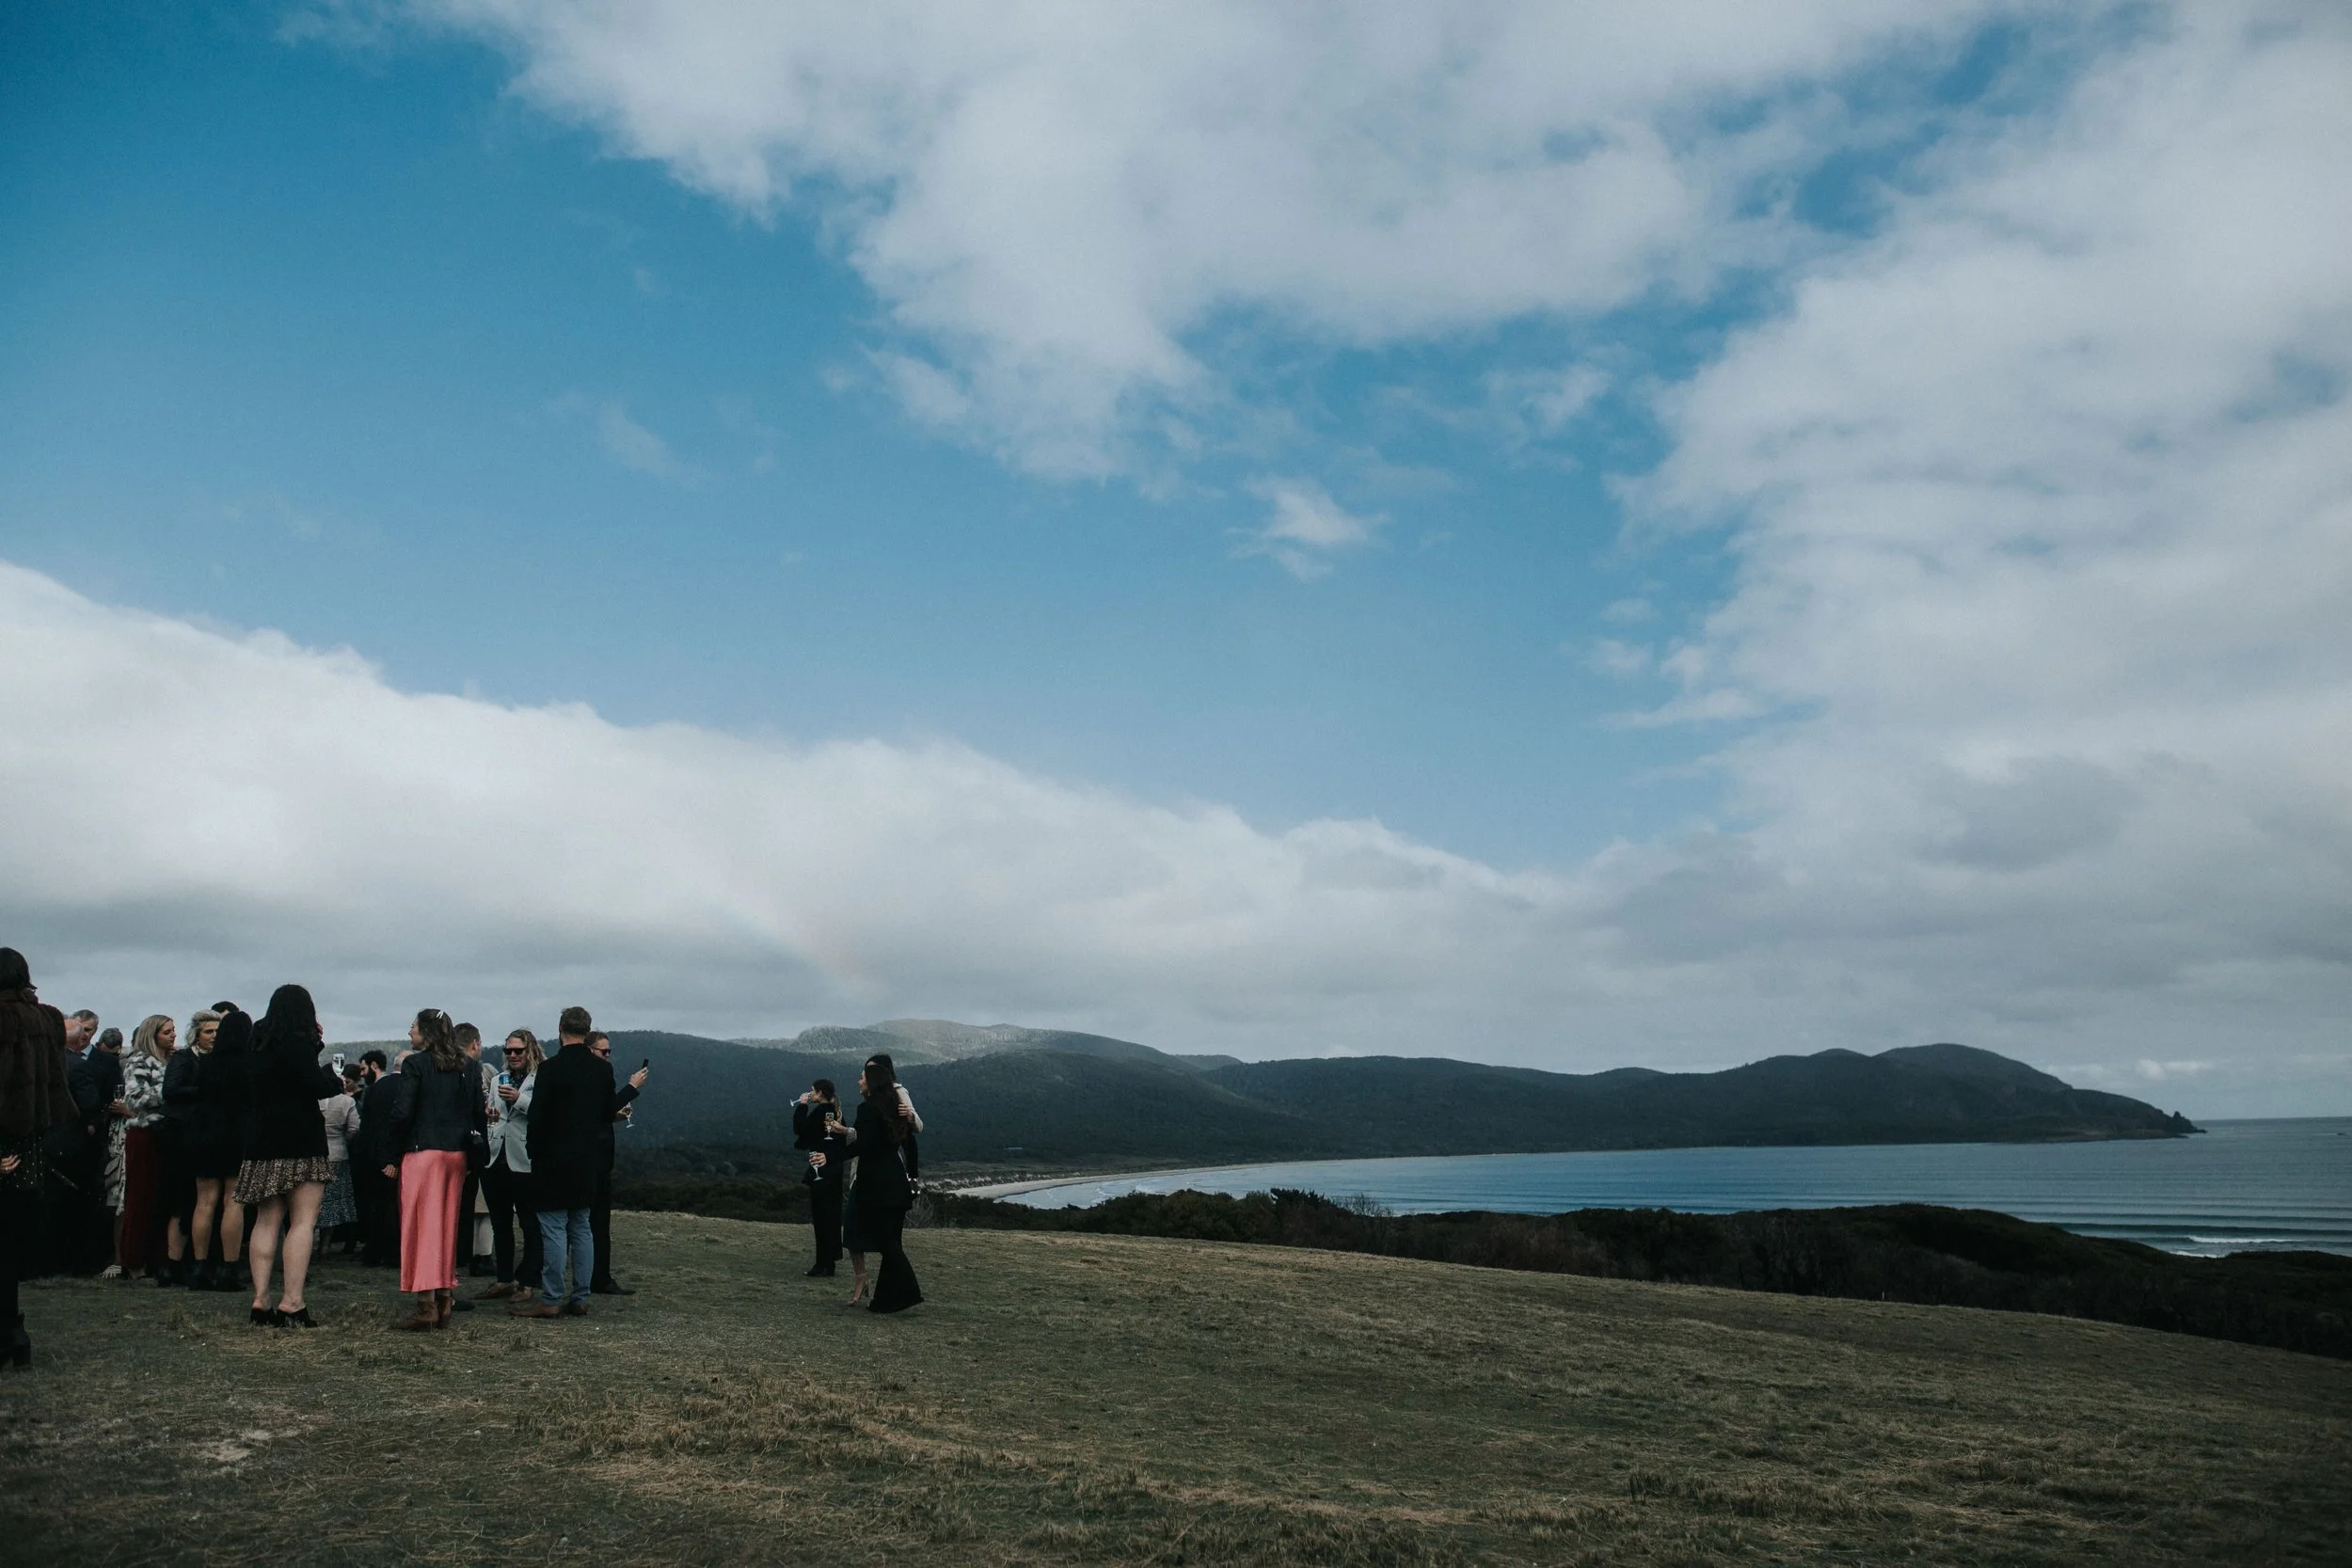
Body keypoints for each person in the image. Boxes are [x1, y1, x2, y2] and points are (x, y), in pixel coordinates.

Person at [233, 986, 340, 1327]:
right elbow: (314, 1085)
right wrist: (331, 1077)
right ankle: (292, 1301)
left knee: (267, 1221)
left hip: (262, 1141)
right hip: (301, 1139)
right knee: (302, 1221)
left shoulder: (255, 1045)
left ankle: (260, 1300)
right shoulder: (298, 1044)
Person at [382, 1009, 486, 1331]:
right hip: (456, 1154)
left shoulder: (415, 1064)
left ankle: (425, 1304)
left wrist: (391, 1153)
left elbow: (402, 1113)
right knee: (447, 1226)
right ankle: (444, 1296)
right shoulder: (467, 1066)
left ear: (426, 1033)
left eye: (413, 1027)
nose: (409, 1032)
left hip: (422, 1151)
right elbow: (476, 1113)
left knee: (420, 1227)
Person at [0, 950, 75, 1367]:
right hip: (30, 1146)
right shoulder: (47, 1020)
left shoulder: (5, 1020)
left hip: (4, 1142)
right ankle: (14, 1331)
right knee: (10, 1245)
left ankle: (9, 1333)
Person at [513, 1006, 613, 1320]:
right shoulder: (602, 1070)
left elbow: (538, 1116)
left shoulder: (550, 1069)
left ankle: (552, 1297)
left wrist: (532, 1150)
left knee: (554, 1229)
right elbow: (606, 1112)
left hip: (553, 1159)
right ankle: (580, 1296)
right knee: (582, 1227)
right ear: (588, 1030)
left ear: (560, 1029)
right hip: (587, 1158)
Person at [817, 1055, 924, 1314]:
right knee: (891, 1244)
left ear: (872, 1082)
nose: (858, 1080)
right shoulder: (892, 1108)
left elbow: (862, 1145)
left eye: (862, 1077)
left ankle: (909, 1292)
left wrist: (829, 1157)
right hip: (896, 1183)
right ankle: (884, 1301)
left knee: (888, 1244)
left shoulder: (868, 1109)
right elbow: (910, 1142)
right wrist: (912, 1174)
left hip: (877, 1185)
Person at [187, 1008, 251, 1291]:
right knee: (233, 1200)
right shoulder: (250, 1064)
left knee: (204, 1202)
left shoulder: (207, 1063)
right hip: (236, 1135)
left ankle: (199, 1266)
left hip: (204, 1135)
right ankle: (229, 1267)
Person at [478, 1029, 542, 1300]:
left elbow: (546, 1111)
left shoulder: (540, 1078)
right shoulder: (497, 1080)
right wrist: (490, 1114)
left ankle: (528, 1281)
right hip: (495, 1157)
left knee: (529, 1223)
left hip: (525, 1158)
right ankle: (504, 1279)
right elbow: (494, 1113)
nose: (513, 1055)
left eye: (518, 1050)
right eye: (508, 1051)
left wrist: (520, 1100)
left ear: (530, 1051)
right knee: (500, 1223)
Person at [584, 1031, 648, 1295]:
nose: (607, 1056)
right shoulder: (595, 1075)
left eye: (609, 1051)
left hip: (600, 1158)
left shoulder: (597, 1073)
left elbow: (598, 1111)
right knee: (593, 1222)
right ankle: (597, 1278)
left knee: (596, 1222)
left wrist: (613, 1117)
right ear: (590, 1050)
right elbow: (600, 1108)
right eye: (603, 1051)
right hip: (593, 1160)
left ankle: (598, 1276)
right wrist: (632, 1088)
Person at [156, 1009, 216, 1285]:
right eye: (208, 1032)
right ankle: (172, 1263)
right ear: (197, 1034)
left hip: (204, 1134)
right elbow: (170, 1090)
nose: (214, 1036)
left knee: (200, 1201)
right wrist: (206, 1090)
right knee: (180, 1200)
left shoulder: (215, 1060)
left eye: (217, 1032)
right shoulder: (184, 1058)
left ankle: (192, 1261)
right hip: (180, 1134)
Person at [116, 1015, 173, 1281]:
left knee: (161, 1199)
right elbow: (135, 1097)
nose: (173, 1035)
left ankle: (156, 1258)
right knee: (140, 1197)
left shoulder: (169, 1061)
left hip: (165, 1134)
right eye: (166, 1032)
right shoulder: (139, 1061)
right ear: (153, 1035)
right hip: (145, 1133)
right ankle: (133, 1260)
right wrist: (171, 1093)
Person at [792, 1079, 846, 1276]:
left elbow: (800, 1131)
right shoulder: (835, 1112)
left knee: (821, 1216)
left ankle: (822, 1263)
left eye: (812, 1091)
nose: (810, 1093)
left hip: (821, 1168)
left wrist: (802, 1106)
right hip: (835, 1169)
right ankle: (829, 1263)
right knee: (831, 1216)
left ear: (820, 1093)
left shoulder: (821, 1112)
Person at [353, 1050, 401, 1267]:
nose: (361, 1074)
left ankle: (374, 1252)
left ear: (374, 1066)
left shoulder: (373, 1092)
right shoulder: (397, 1088)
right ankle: (393, 1253)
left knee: (377, 1207)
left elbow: (368, 1128)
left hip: (375, 1156)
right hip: (392, 1155)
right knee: (392, 1206)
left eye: (363, 1069)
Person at [315, 1073, 359, 1252]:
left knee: (312, 1201)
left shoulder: (316, 1100)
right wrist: (345, 1139)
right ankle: (325, 1244)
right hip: (339, 1152)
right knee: (333, 1202)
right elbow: (354, 1127)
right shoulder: (347, 1102)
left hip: (317, 1153)